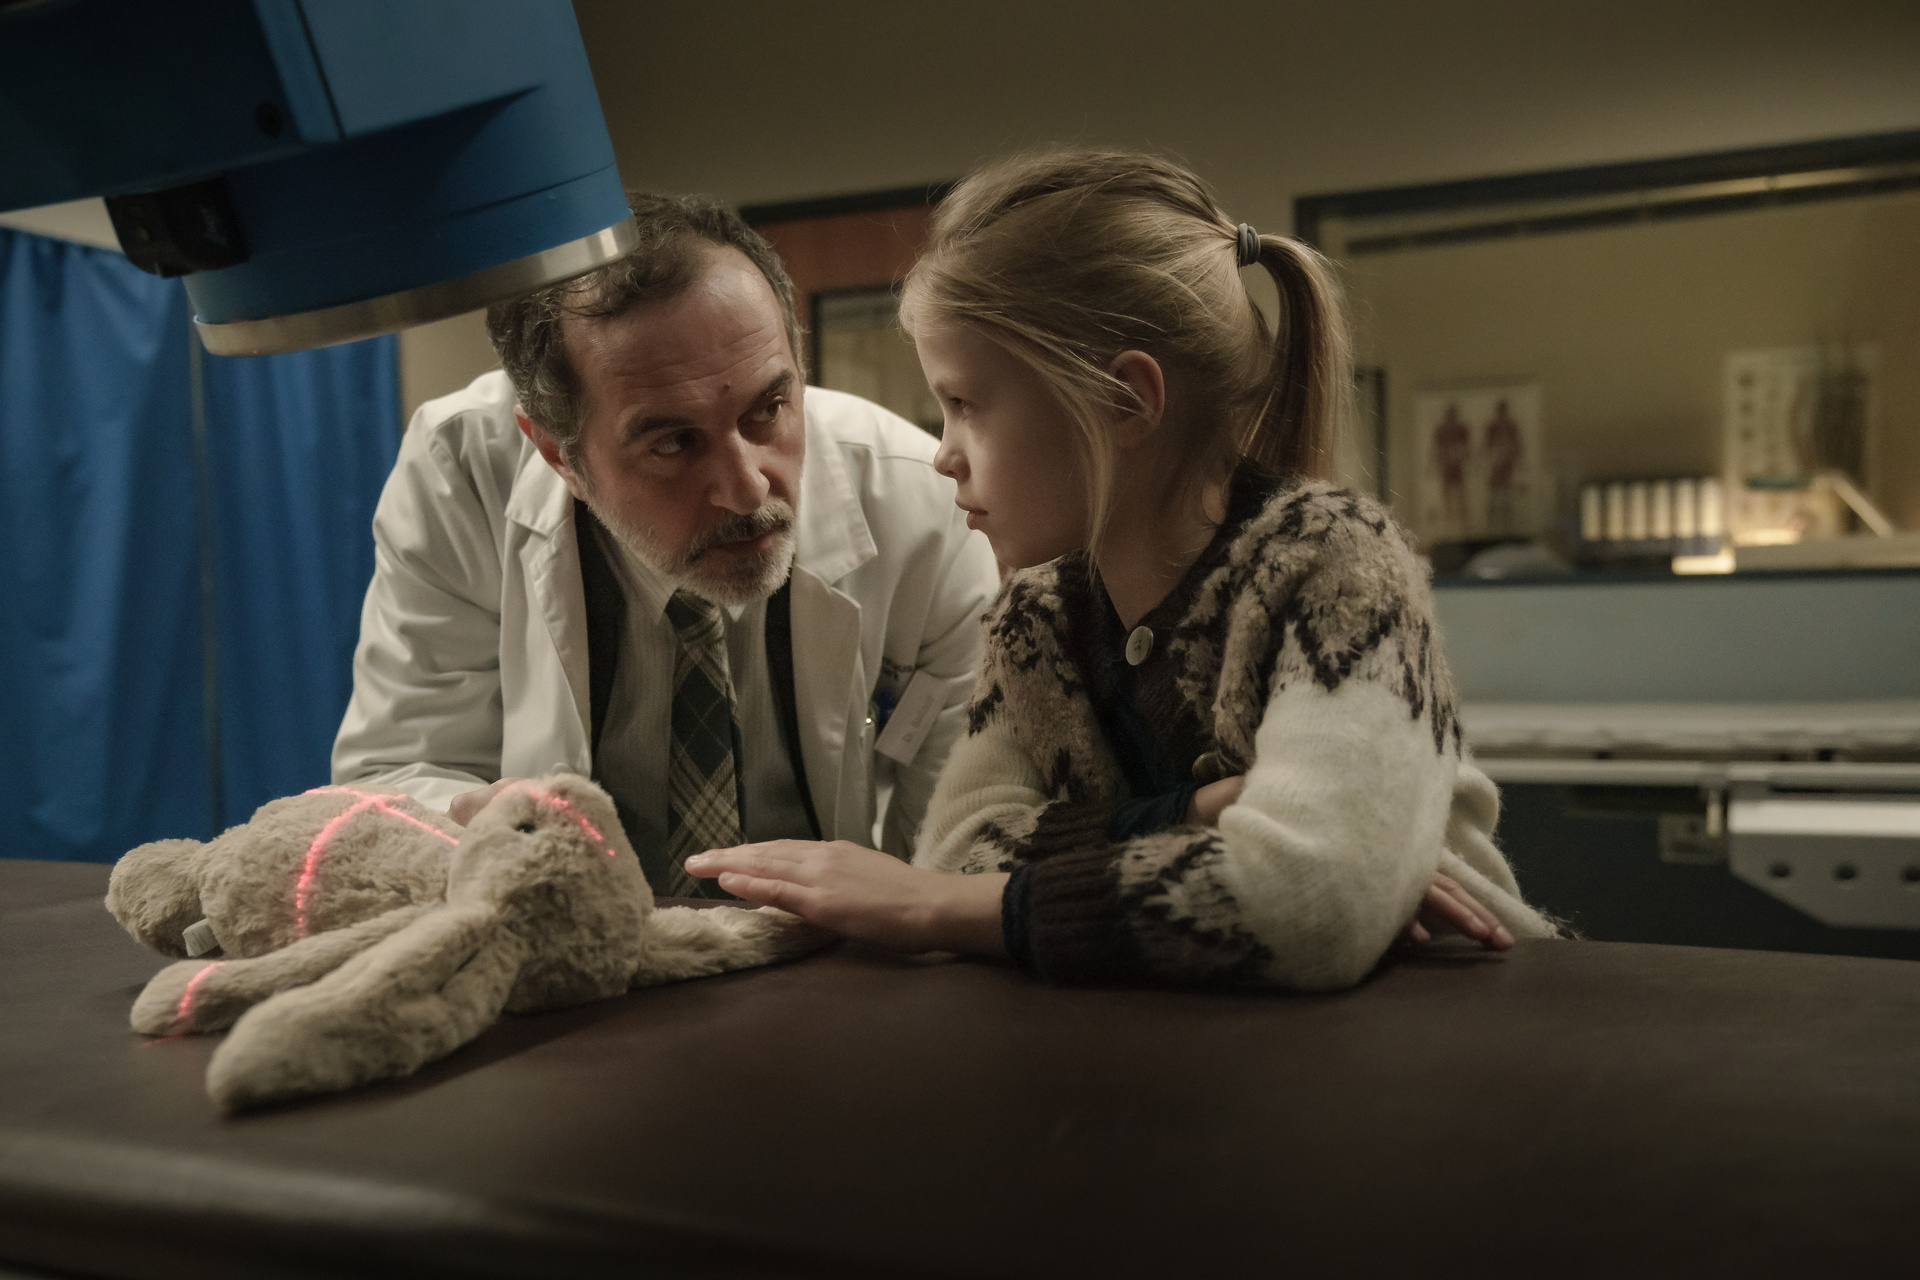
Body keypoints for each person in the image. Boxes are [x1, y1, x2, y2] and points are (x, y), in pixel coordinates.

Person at [686, 150, 1560, 986]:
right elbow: (964, 852)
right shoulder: (1037, 618)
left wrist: (934, 910)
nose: (943, 455)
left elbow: (1308, 903)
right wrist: (1198, 815)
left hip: (1462, 1027)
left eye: (965, 405)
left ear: (1126, 401)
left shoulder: (1336, 568)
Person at [331, 194, 1001, 896]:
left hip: (836, 943)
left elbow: (952, 856)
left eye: (768, 409)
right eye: (675, 443)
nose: (747, 489)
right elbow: (393, 779)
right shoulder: (462, 473)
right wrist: (482, 831)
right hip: (564, 940)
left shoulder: (923, 506)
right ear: (558, 455)